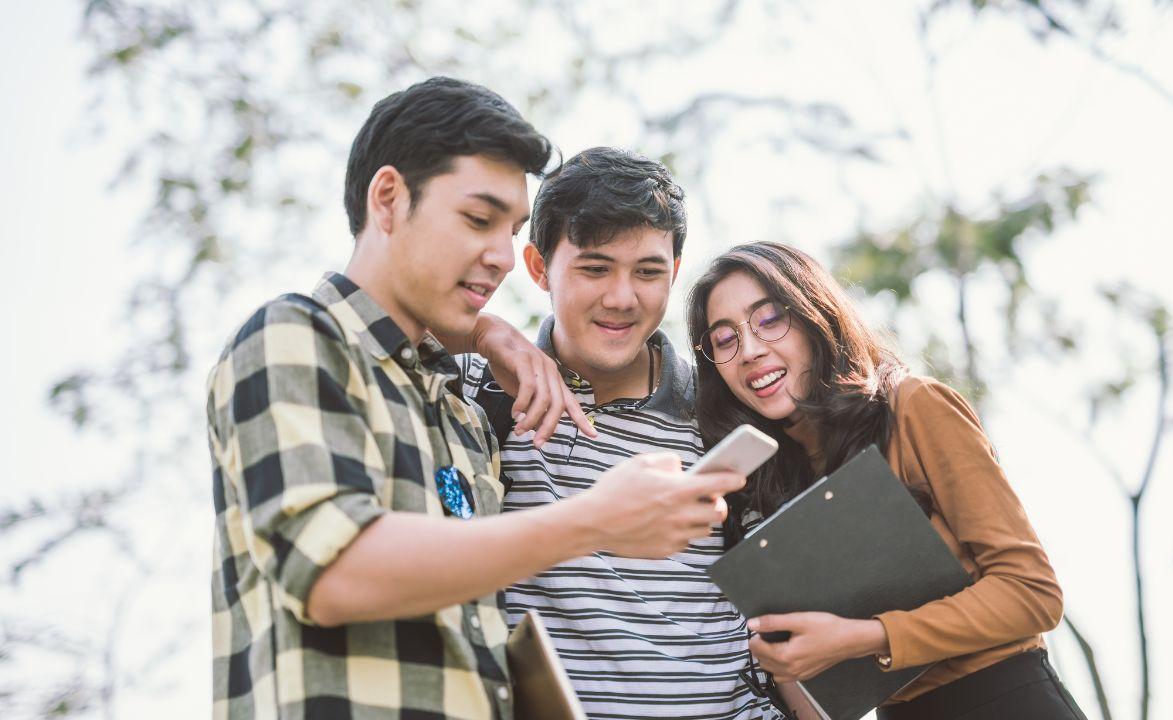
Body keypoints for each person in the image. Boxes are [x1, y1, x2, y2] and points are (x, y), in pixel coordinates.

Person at [205, 78, 744, 720]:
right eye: (478, 219)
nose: (501, 257)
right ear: (388, 198)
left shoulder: (459, 405)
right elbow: (333, 572)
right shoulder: (295, 337)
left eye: (510, 228)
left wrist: (491, 334)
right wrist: (599, 519)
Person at [686, 242, 1088, 720]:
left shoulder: (913, 407)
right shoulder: (771, 483)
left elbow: (1034, 594)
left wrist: (869, 636)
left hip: (1006, 698)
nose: (750, 350)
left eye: (770, 319)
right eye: (724, 339)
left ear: (816, 315)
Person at [460, 147, 779, 719]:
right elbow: (365, 317)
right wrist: (484, 333)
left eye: (649, 271)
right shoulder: (477, 393)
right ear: (538, 268)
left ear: (675, 273)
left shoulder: (723, 409)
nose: (622, 298)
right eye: (595, 267)